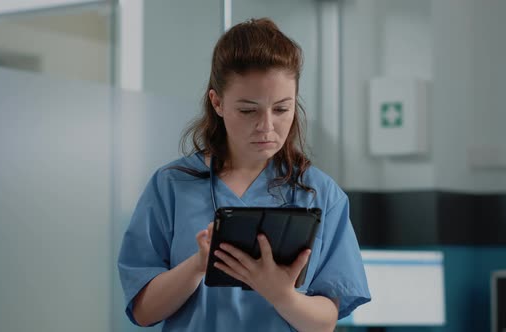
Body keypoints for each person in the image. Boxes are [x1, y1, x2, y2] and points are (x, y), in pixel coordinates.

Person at [117, 18, 370, 331]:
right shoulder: (171, 186)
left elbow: (324, 322)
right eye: (248, 110)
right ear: (218, 102)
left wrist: (282, 296)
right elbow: (143, 311)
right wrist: (198, 265)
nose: (266, 125)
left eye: (281, 109)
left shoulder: (319, 193)